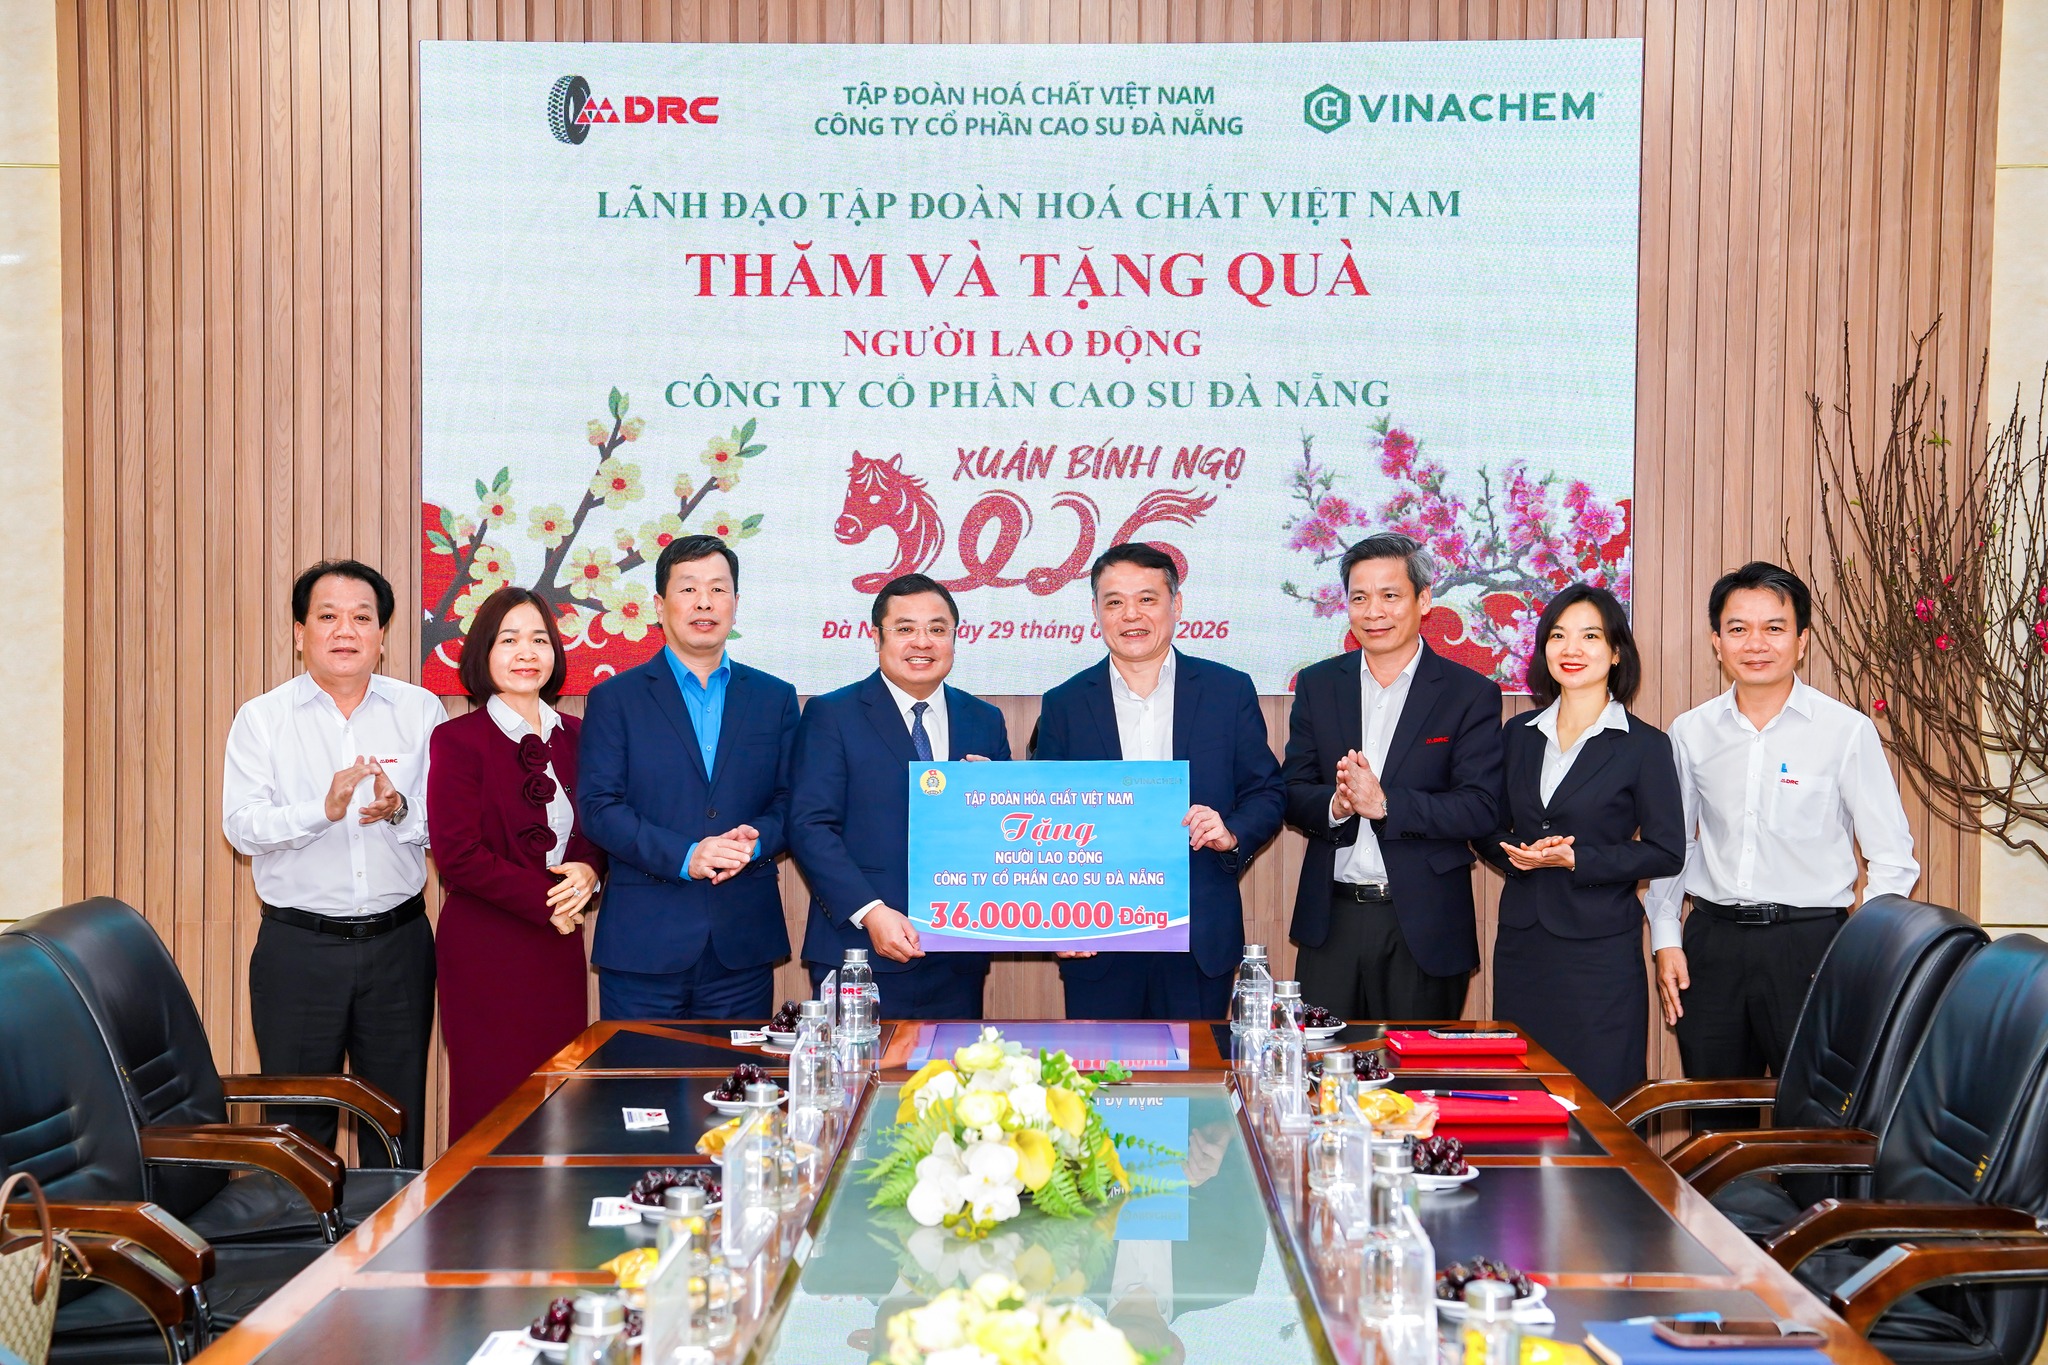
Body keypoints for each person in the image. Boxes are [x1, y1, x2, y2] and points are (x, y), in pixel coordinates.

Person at [1647, 562, 1919, 1098]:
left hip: (1812, 947)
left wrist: (1858, 952)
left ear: (1801, 641)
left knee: (1815, 1115)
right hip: (1711, 946)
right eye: (1738, 628)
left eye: (1774, 627)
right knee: (1715, 1113)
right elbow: (1674, 845)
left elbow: (1893, 858)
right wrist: (1666, 940)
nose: (1756, 643)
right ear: (1717, 642)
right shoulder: (1691, 732)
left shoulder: (1845, 731)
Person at [222, 559, 443, 1164]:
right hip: (299, 950)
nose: (345, 631)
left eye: (362, 618)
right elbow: (242, 828)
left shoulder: (421, 711)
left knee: (395, 1125)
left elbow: (445, 826)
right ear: (300, 633)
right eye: (327, 617)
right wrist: (320, 811)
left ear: (382, 634)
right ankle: (303, 1230)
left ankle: (395, 1229)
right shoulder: (262, 718)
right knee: (297, 1128)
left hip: (399, 946)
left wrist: (399, 809)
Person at [1033, 543, 1283, 1020]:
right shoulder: (1064, 703)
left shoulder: (1227, 690)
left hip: (1197, 933)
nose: (1131, 615)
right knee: (1100, 1068)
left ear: (1176, 604)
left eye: (1147, 599)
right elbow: (1048, 815)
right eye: (1114, 602)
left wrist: (1231, 833)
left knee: (1196, 1067)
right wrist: (1055, 915)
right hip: (1097, 935)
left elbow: (1266, 791)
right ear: (1095, 611)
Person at [1281, 533, 1503, 1021]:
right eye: (1359, 598)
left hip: (1424, 927)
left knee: (1415, 1066)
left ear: (1423, 600)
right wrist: (1337, 805)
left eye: (1390, 595)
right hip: (1331, 920)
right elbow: (1291, 790)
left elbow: (1481, 806)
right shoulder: (1318, 685)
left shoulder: (1469, 694)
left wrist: (1386, 806)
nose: (1374, 612)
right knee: (1321, 1062)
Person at [1476, 584, 1685, 1101]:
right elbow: (1486, 825)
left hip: (1601, 953)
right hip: (1524, 946)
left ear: (1616, 653)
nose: (1571, 649)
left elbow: (1666, 851)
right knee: (1523, 1093)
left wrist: (1578, 859)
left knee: (1602, 1097)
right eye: (1558, 636)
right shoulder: (1517, 734)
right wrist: (1516, 855)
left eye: (1590, 636)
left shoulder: (1645, 745)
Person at [577, 535, 799, 1021]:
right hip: (643, 945)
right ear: (659, 606)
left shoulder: (774, 697)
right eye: (689, 588)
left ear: (736, 603)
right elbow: (598, 807)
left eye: (718, 589)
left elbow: (792, 801)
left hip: (742, 944)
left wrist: (754, 843)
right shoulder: (615, 699)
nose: (704, 602)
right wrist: (687, 855)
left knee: (737, 1073)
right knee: (639, 1072)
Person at [427, 587, 607, 1138]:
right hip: (485, 947)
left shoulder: (580, 736)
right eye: (508, 640)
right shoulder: (456, 739)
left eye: (539, 640)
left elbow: (600, 825)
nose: (526, 652)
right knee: (491, 1099)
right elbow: (457, 854)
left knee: (559, 1099)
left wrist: (590, 870)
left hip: (559, 945)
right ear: (483, 653)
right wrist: (547, 901)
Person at [790, 572, 1012, 1019]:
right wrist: (871, 912)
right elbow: (809, 826)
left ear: (955, 637)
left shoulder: (984, 719)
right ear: (877, 638)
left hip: (957, 955)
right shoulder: (832, 714)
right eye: (905, 628)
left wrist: (998, 800)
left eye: (937, 629)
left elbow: (1003, 837)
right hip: (858, 951)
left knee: (952, 1066)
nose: (922, 642)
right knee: (861, 1066)